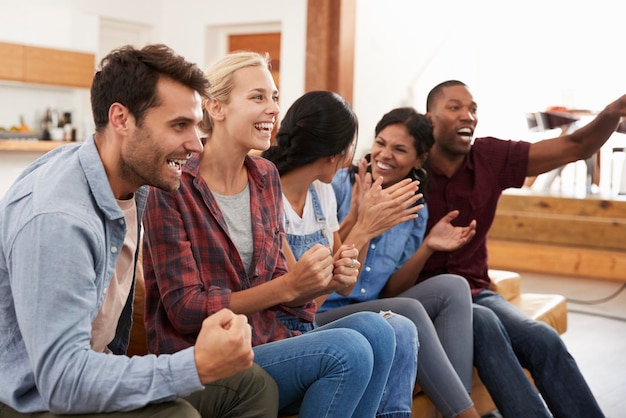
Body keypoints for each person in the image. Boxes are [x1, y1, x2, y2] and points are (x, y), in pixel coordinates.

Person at [0, 44, 278, 418]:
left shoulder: (137, 181)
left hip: (93, 367)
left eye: (196, 125)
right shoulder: (59, 217)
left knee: (250, 385)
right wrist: (194, 366)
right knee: (178, 415)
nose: (196, 144)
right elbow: (61, 380)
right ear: (121, 120)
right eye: (180, 125)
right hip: (31, 399)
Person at [141, 51, 405, 418]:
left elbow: (286, 293)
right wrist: (290, 287)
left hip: (267, 340)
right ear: (216, 108)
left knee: (381, 330)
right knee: (350, 349)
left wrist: (322, 279)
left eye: (275, 97)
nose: (273, 109)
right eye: (258, 97)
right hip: (201, 355)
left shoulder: (265, 176)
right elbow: (185, 310)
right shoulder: (173, 185)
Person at [264, 98, 480, 418]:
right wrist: (361, 225)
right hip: (293, 324)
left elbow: (346, 284)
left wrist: (364, 225)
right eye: (375, 143)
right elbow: (300, 301)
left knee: (413, 321)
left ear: (419, 159)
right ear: (333, 152)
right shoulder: (293, 190)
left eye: (400, 149)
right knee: (399, 317)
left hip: (320, 312)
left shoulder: (320, 192)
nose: (375, 154)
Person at [419, 79, 620, 417]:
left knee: (542, 338)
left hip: (477, 292)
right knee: (483, 325)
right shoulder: (409, 165)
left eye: (473, 109)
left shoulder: (490, 157)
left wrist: (612, 112)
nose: (467, 115)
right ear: (430, 120)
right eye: (454, 107)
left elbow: (575, 145)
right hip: (424, 300)